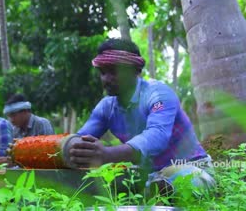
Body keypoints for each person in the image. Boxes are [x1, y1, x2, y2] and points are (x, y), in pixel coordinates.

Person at [69, 38, 215, 193]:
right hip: (148, 176)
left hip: (191, 167)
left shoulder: (158, 94)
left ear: (136, 71)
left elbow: (157, 135)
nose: (106, 79)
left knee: (185, 181)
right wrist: (74, 150)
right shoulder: (106, 107)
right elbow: (81, 138)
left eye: (114, 71)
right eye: (103, 72)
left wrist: (107, 154)